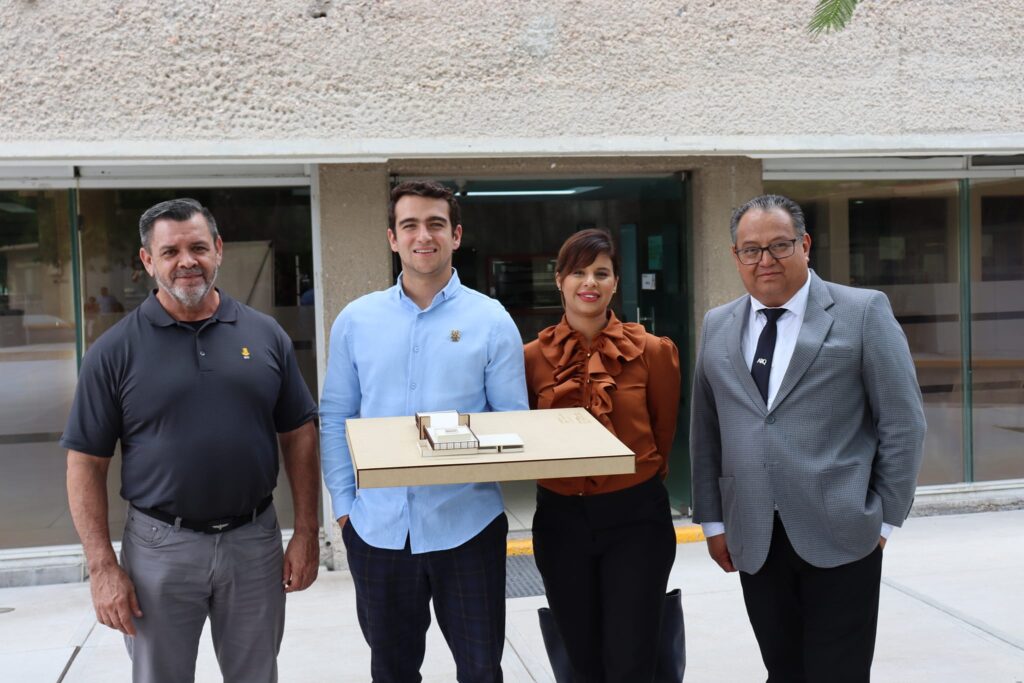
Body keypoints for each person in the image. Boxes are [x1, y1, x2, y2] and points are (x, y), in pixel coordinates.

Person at [62, 198, 320, 683]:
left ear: (218, 249)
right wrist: (102, 567)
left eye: (198, 247)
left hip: (254, 542)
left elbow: (299, 435)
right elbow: (85, 463)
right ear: (148, 261)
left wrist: (307, 531)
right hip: (159, 549)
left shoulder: (266, 335)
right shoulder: (113, 351)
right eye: (170, 251)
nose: (187, 261)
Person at [690, 194, 927, 682]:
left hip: (844, 532)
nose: (766, 260)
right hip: (754, 535)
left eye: (780, 245)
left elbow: (903, 423)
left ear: (805, 244)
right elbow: (706, 431)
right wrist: (713, 522)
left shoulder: (864, 312)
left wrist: (885, 521)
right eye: (751, 250)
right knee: (783, 671)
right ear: (736, 256)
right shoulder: (717, 325)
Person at [320, 180, 528, 682]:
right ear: (393, 238)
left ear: (455, 235)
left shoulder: (490, 320)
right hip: (377, 531)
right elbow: (336, 417)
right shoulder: (356, 321)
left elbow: (512, 423)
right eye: (409, 225)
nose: (423, 236)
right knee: (392, 671)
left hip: (467, 525)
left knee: (481, 671)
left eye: (436, 224)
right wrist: (345, 510)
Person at [524, 228, 681, 682]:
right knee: (581, 660)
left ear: (615, 283)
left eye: (601, 272)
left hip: (636, 521)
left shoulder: (653, 352)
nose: (589, 282)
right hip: (559, 522)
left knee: (631, 660)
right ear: (559, 280)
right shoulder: (531, 358)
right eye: (578, 272)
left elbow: (663, 433)